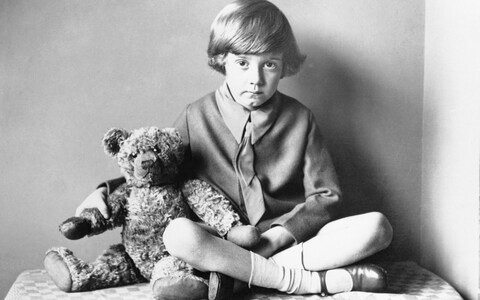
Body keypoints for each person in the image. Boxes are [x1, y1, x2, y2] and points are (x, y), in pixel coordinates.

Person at [77, 0, 393, 299]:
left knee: (378, 227)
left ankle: (240, 276)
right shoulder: (195, 116)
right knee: (178, 234)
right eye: (242, 63)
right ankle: (302, 281)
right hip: (220, 242)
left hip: (287, 241)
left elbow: (326, 196)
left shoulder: (300, 119)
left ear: (284, 67)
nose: (255, 79)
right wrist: (104, 192)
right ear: (222, 61)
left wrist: (276, 238)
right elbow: (158, 171)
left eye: (269, 64)